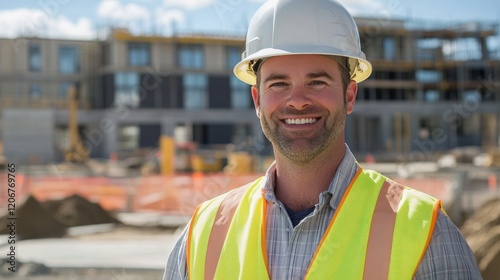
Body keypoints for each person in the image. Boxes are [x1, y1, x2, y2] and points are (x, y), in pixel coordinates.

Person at [164, 0, 482, 279]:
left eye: (317, 82)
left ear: (349, 95)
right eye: (278, 84)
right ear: (257, 100)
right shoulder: (203, 234)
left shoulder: (425, 233)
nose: (298, 100)